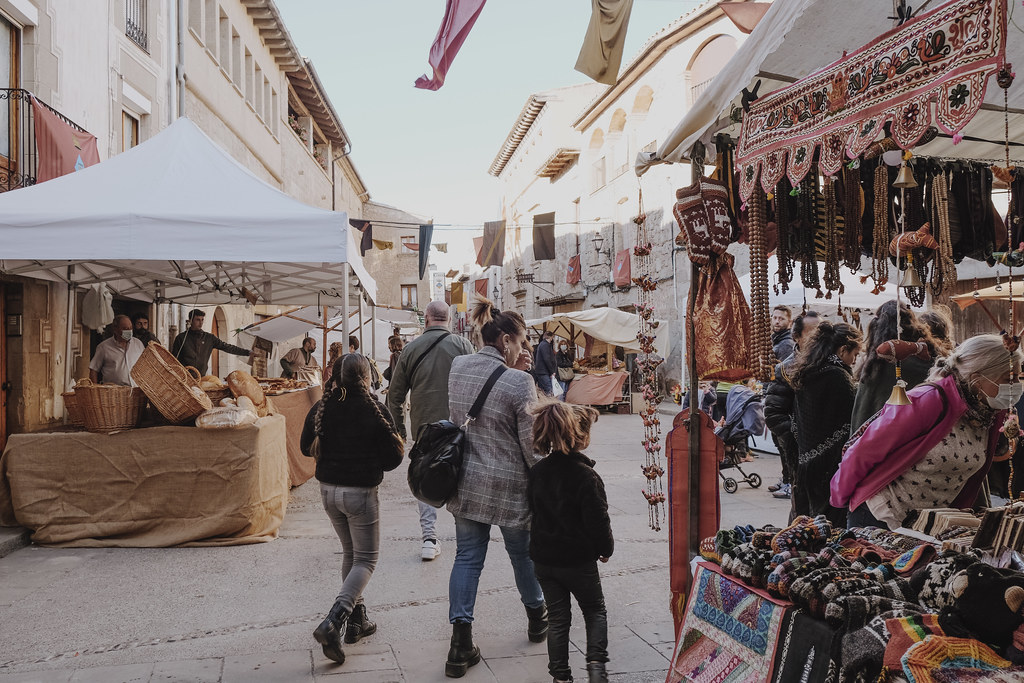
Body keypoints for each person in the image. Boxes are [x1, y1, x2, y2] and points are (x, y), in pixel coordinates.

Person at [444, 298, 546, 678]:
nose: (522, 352)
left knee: (467, 558)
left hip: (466, 483)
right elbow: (531, 447)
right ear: (505, 341)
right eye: (520, 344)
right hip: (509, 487)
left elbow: (456, 416)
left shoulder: (458, 366)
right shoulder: (520, 382)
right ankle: (537, 619)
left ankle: (460, 643)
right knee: (522, 555)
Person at [832, 334, 1021, 530]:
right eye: (1009, 378)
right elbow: (865, 450)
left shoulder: (988, 413)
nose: (1017, 384)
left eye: (1018, 376)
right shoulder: (929, 400)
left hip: (927, 526)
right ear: (977, 378)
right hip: (880, 516)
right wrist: (840, 499)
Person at [300, 354, 404, 665]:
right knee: (367, 561)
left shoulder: (323, 406)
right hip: (359, 493)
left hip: (329, 492)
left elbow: (306, 446)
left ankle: (358, 620)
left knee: (350, 555)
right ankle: (334, 620)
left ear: (336, 376)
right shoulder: (374, 408)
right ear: (367, 376)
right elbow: (393, 458)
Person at [527, 399, 613, 683]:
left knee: (558, 619)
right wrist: (605, 549)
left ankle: (560, 677)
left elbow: (534, 512)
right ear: (580, 436)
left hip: (544, 560)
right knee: (594, 610)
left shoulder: (538, 472)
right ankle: (597, 669)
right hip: (577, 560)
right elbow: (598, 520)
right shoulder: (586, 476)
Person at [387, 300, 475, 561]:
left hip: (424, 426)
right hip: (460, 426)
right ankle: (466, 539)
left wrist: (400, 431)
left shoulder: (411, 349)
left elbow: (395, 395)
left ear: (425, 319)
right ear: (448, 319)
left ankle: (429, 538)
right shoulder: (463, 346)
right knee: (460, 478)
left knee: (425, 479)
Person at [790, 321, 863, 527]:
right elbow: (853, 417)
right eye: (854, 355)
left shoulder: (808, 371)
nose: (854, 361)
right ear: (842, 350)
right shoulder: (837, 376)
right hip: (831, 465)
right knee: (830, 524)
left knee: (812, 522)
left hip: (806, 462)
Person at [851, 300, 938, 432]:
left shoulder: (872, 365)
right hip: (902, 439)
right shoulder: (922, 363)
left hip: (870, 440)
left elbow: (861, 416)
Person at [764, 311, 820, 503]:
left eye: (820, 333)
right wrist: (795, 435)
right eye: (812, 334)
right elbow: (772, 412)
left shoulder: (828, 365)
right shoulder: (787, 368)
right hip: (801, 448)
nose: (818, 339)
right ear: (797, 337)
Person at [171, 309, 251, 376]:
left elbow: (228, 347)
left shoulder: (209, 338)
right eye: (198, 320)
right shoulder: (181, 338)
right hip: (184, 378)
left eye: (202, 320)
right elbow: (174, 359)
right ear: (191, 320)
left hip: (202, 378)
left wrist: (247, 352)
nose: (201, 322)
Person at [89, 314, 145, 385]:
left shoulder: (138, 344)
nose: (129, 331)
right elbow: (93, 369)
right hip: (114, 392)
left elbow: (145, 366)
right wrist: (94, 389)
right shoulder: (104, 347)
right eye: (125, 329)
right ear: (115, 329)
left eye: (130, 328)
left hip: (136, 390)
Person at [532, 331, 557, 396]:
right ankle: (549, 405)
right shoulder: (545, 345)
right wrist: (552, 371)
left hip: (542, 372)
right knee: (549, 391)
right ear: (551, 337)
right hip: (543, 372)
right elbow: (547, 359)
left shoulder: (543, 344)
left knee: (543, 392)